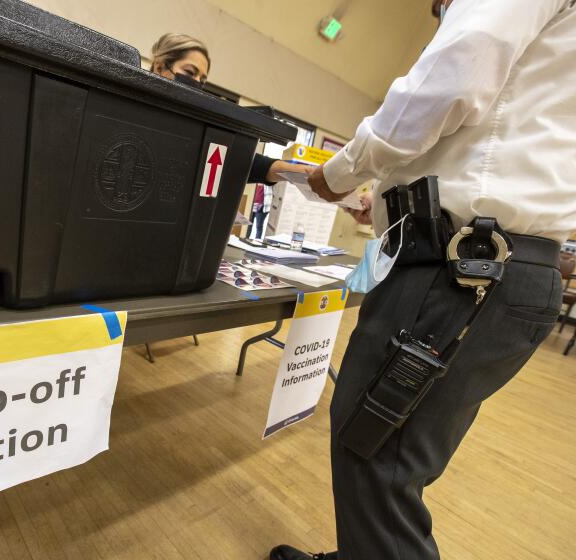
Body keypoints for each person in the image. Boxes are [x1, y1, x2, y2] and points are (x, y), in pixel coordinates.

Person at [272, 0, 576, 559]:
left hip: (463, 272)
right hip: (510, 270)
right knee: (400, 450)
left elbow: (455, 77)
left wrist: (337, 173)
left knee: (376, 454)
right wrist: (391, 207)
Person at [149, 33, 313, 188]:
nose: (197, 82)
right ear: (159, 66)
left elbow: (239, 160)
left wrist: (301, 172)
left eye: (202, 80)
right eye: (190, 72)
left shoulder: (195, 123)